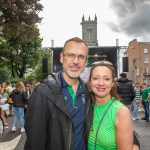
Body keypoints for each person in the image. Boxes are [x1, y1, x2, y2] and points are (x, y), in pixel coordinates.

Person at [24, 37, 140, 150]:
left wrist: (134, 143)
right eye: (70, 55)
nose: (75, 61)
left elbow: (117, 123)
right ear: (61, 57)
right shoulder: (43, 92)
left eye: (81, 57)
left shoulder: (88, 92)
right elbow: (34, 141)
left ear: (86, 61)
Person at [87, 60, 133, 150]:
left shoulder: (121, 112)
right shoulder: (85, 106)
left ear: (112, 83)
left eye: (106, 79)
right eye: (95, 78)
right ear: (90, 82)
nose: (101, 83)